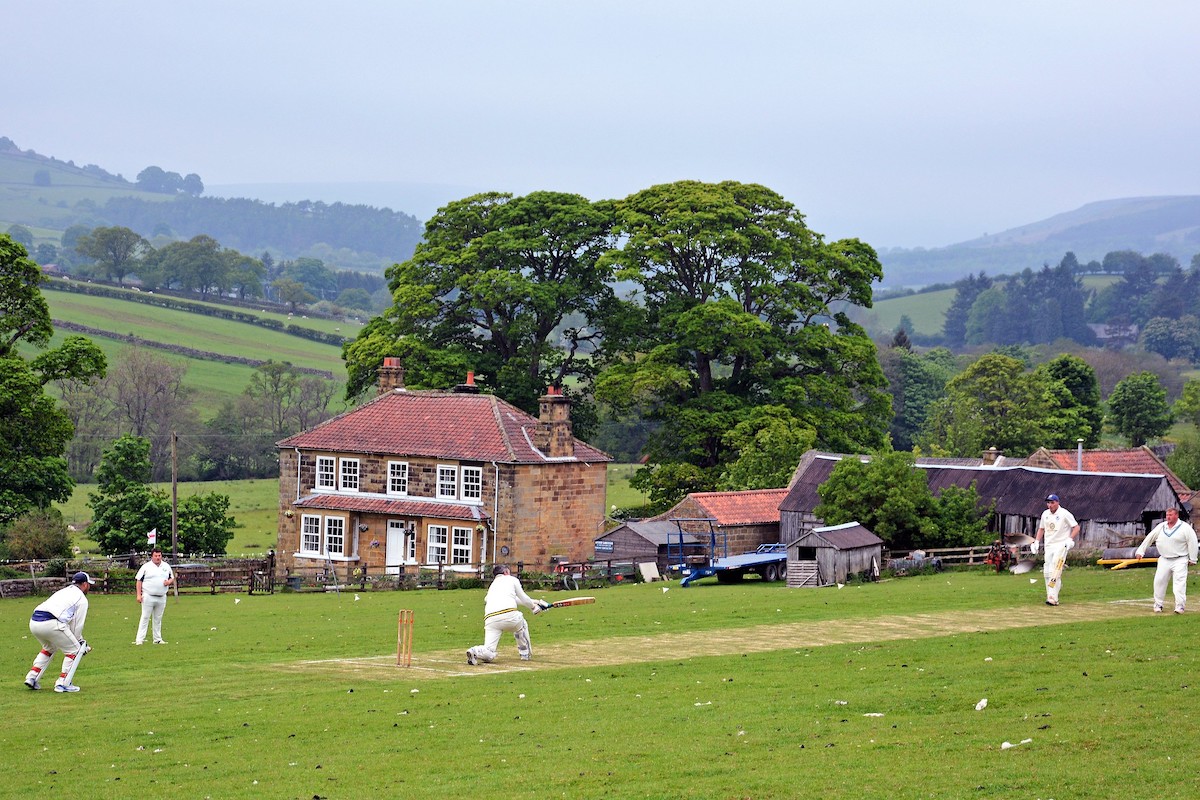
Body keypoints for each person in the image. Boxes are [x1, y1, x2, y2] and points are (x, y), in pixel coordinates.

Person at [466, 564, 550, 665]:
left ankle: (475, 651)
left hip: (491, 620)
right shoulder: (511, 579)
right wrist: (533, 607)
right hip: (509, 616)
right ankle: (525, 654)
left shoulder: (493, 585)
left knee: (489, 651)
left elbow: (513, 598)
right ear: (506, 572)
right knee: (522, 624)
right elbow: (523, 598)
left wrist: (537, 602)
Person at [25, 572, 94, 692]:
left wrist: (79, 641)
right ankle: (63, 683)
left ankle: (32, 676)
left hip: (34, 621)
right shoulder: (82, 599)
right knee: (74, 650)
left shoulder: (65, 591)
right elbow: (77, 625)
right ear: (84, 584)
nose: (89, 587)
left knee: (49, 648)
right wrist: (80, 644)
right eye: (89, 584)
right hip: (51, 622)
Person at [1135, 507, 1199, 613]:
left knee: (1179, 584)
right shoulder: (1161, 527)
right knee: (1159, 582)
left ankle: (1180, 606)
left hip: (1180, 559)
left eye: (1170, 515)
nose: (1168, 517)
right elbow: (1149, 538)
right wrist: (1140, 551)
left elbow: (1192, 542)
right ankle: (1158, 605)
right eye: (1167, 515)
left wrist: (1193, 558)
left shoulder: (1185, 528)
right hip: (1164, 559)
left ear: (1176, 515)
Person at [1032, 493, 1079, 606]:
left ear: (1057, 502)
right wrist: (1037, 541)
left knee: (1055, 568)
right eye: (1048, 503)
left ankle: (1053, 597)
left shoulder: (1064, 513)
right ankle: (1050, 595)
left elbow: (1076, 527)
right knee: (1047, 571)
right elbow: (1041, 529)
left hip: (1061, 545)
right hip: (1049, 546)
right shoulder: (1045, 514)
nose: (1050, 505)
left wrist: (1070, 539)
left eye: (1052, 503)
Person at [134, 548, 175, 645]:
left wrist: (168, 582)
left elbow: (172, 577)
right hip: (148, 595)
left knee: (158, 618)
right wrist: (138, 595)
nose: (158, 558)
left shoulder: (166, 566)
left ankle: (157, 639)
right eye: (156, 556)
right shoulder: (146, 567)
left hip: (161, 596)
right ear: (152, 556)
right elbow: (139, 580)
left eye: (159, 556)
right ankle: (139, 639)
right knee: (145, 617)